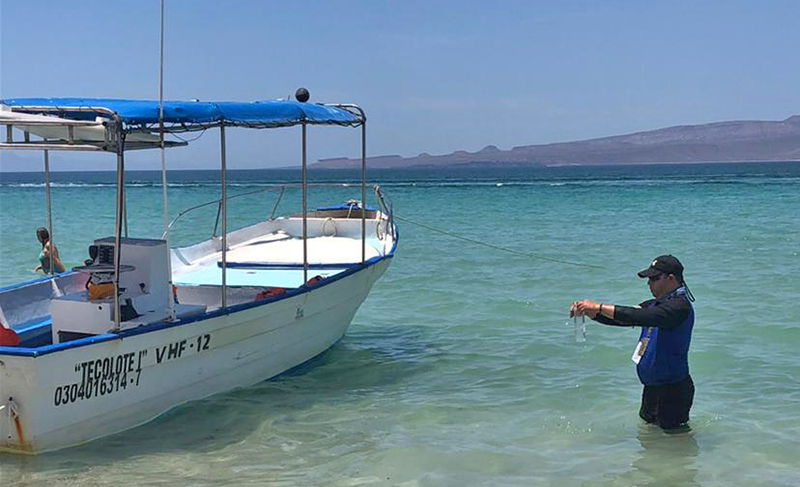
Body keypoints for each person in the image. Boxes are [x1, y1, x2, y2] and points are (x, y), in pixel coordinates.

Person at [571, 255, 695, 431]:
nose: (649, 284)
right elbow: (624, 319)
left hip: (673, 391)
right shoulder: (655, 305)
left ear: (671, 278)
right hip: (651, 388)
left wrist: (598, 307)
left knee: (674, 446)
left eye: (653, 278)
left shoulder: (679, 307)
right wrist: (589, 312)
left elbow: (637, 316)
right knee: (649, 442)